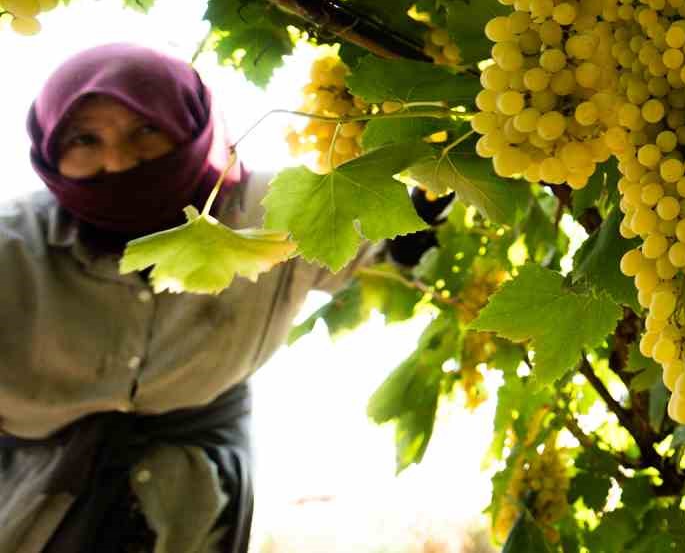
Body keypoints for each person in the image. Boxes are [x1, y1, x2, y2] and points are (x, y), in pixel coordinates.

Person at [0, 43, 439, 553]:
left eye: (145, 128)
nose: (118, 162)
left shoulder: (279, 212)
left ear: (190, 125)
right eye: (84, 139)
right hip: (24, 510)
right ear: (48, 149)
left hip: (194, 515)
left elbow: (399, 236)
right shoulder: (10, 251)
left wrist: (433, 172)